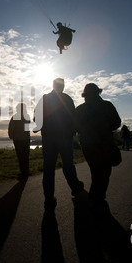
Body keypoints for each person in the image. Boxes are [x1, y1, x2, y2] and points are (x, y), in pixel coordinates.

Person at [38, 78, 84, 209]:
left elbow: (37, 118)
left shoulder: (44, 98)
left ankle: (48, 197)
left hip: (48, 138)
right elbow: (73, 118)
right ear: (63, 87)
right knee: (68, 164)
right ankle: (75, 188)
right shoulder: (68, 99)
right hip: (64, 137)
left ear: (52, 85)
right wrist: (73, 132)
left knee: (48, 168)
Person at [75, 83, 121, 207]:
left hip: (87, 144)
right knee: (104, 171)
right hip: (104, 142)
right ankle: (97, 197)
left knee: (95, 170)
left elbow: (75, 127)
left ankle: (96, 197)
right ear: (98, 92)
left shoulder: (80, 109)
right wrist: (106, 128)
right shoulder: (107, 105)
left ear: (85, 95)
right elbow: (117, 122)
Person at [8, 103, 31, 180]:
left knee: (21, 156)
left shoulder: (15, 117)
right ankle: (26, 172)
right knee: (25, 156)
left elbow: (10, 127)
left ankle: (23, 173)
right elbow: (28, 128)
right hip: (26, 139)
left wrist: (11, 135)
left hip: (18, 139)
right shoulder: (27, 116)